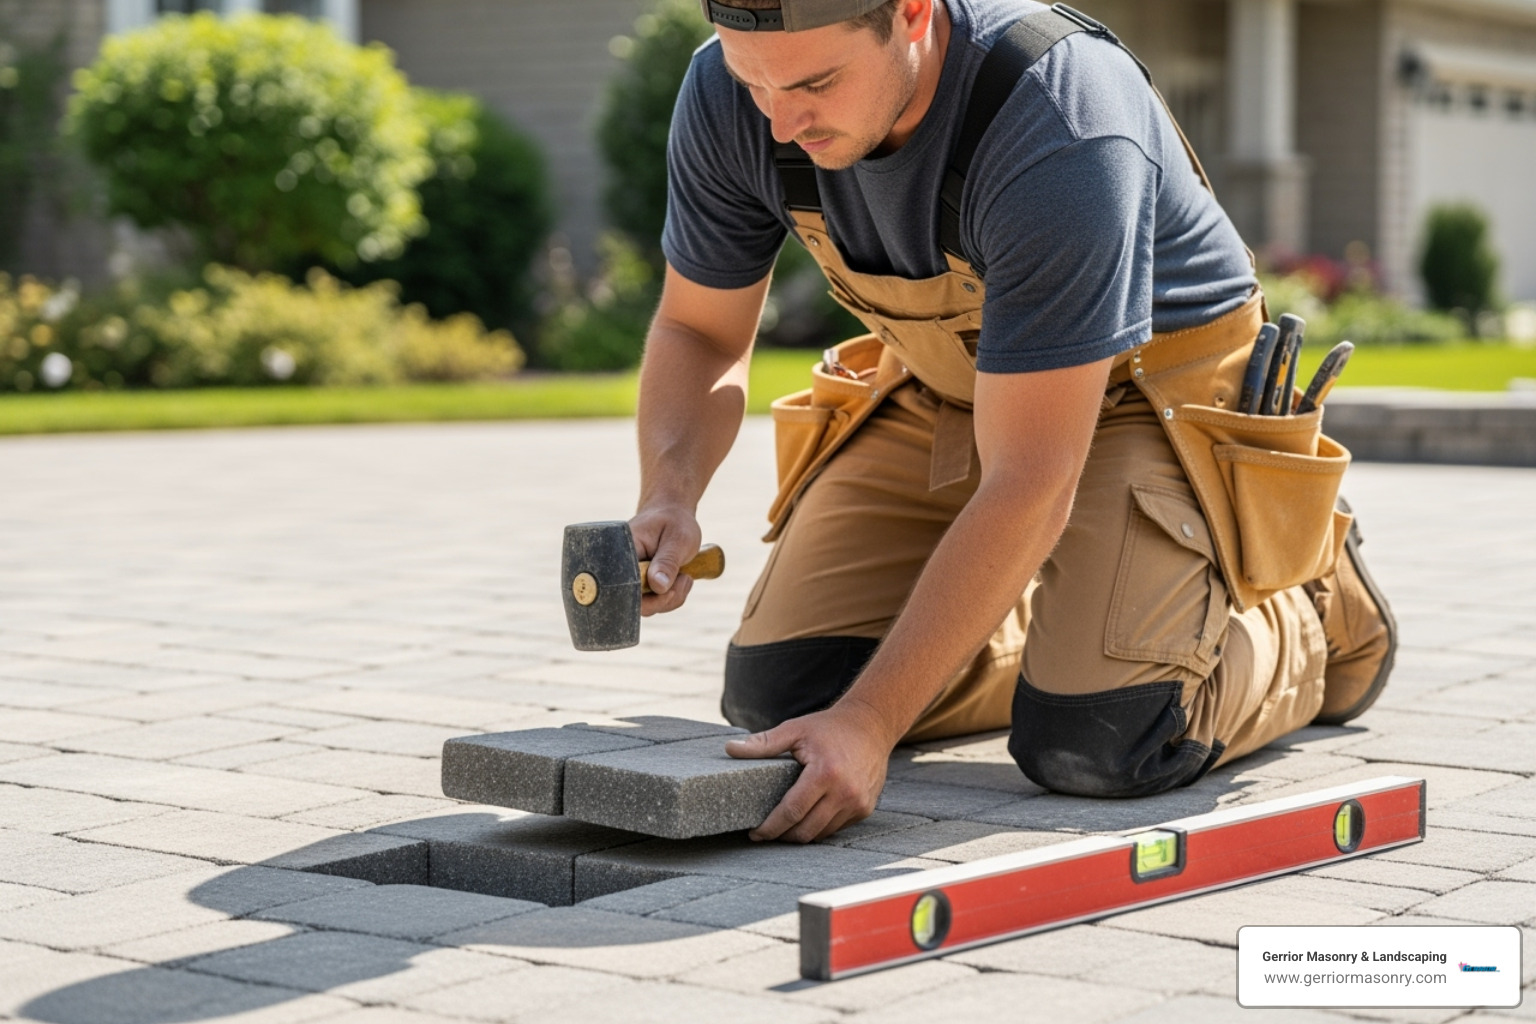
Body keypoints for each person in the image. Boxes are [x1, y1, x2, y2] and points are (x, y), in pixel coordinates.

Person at [628, 0, 1396, 844]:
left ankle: (1309, 607)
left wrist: (873, 725)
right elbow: (699, 330)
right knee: (787, 700)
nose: (779, 116)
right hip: (949, 383)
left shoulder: (1059, 117)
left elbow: (1032, 476)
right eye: (753, 80)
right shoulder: (733, 91)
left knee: (1103, 738)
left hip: (1148, 393)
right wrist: (669, 490)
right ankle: (1081, 622)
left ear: (912, 13)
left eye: (816, 81)